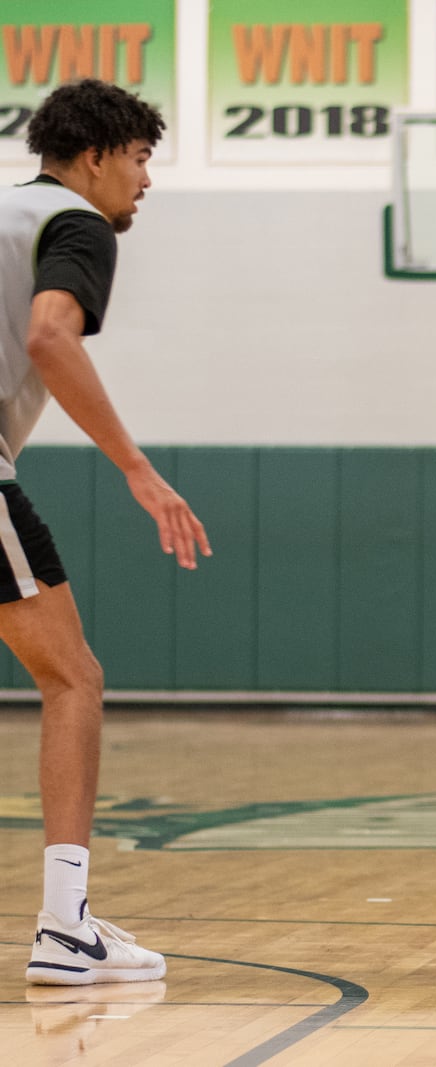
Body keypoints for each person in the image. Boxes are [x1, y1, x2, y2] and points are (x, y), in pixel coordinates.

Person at [5, 79, 210, 985]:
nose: (144, 182)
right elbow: (52, 336)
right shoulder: (72, 226)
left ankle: (70, 921)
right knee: (73, 677)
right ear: (94, 158)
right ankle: (63, 924)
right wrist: (137, 466)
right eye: (138, 160)